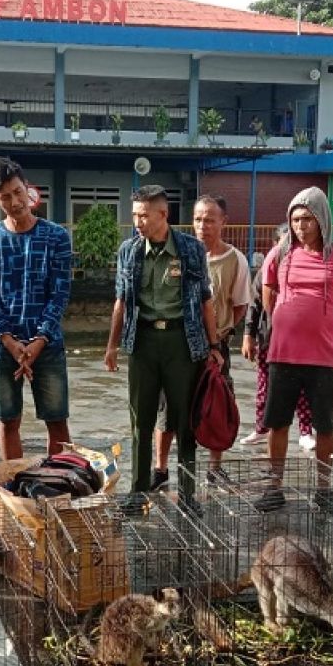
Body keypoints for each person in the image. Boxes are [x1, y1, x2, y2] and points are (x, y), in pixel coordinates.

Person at [103, 184, 223, 506]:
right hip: (141, 342)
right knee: (140, 421)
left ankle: (187, 494)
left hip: (181, 342)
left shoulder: (190, 250)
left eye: (143, 215)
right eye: (134, 216)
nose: (137, 222)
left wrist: (214, 346)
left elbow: (205, 302)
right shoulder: (128, 250)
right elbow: (121, 302)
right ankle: (138, 492)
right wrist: (112, 346)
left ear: (163, 214)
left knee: (185, 421)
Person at [257, 187, 333, 512]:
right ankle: (274, 487)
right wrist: (288, 320)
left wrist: (323, 322)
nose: (300, 226)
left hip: (324, 357)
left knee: (326, 426)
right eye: (295, 219)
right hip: (282, 353)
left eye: (308, 219)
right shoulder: (279, 254)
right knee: (278, 423)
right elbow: (267, 295)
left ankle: (324, 489)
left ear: (322, 219)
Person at [0, 157, 73, 459]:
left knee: (57, 420)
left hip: (49, 344)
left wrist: (40, 339)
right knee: (8, 420)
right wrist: (9, 340)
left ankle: (58, 484)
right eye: (6, 196)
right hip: (4, 346)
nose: (15, 201)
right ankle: (14, 484)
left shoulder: (56, 237)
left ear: (27, 188)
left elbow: (60, 292)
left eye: (18, 192)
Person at [152, 195, 249, 486]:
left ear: (223, 222)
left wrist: (220, 335)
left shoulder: (235, 260)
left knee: (216, 404)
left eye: (209, 219)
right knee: (167, 409)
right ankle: (160, 470)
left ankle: (214, 468)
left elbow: (241, 304)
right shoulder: (178, 255)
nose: (202, 225)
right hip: (178, 346)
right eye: (197, 219)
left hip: (216, 348)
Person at [241, 223, 316, 450]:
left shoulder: (304, 269)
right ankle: (261, 428)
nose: (287, 247)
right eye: (282, 242)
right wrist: (248, 335)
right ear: (275, 245)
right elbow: (254, 305)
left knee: (303, 390)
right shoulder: (266, 270)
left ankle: (305, 432)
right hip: (269, 339)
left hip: (300, 343)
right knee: (265, 388)